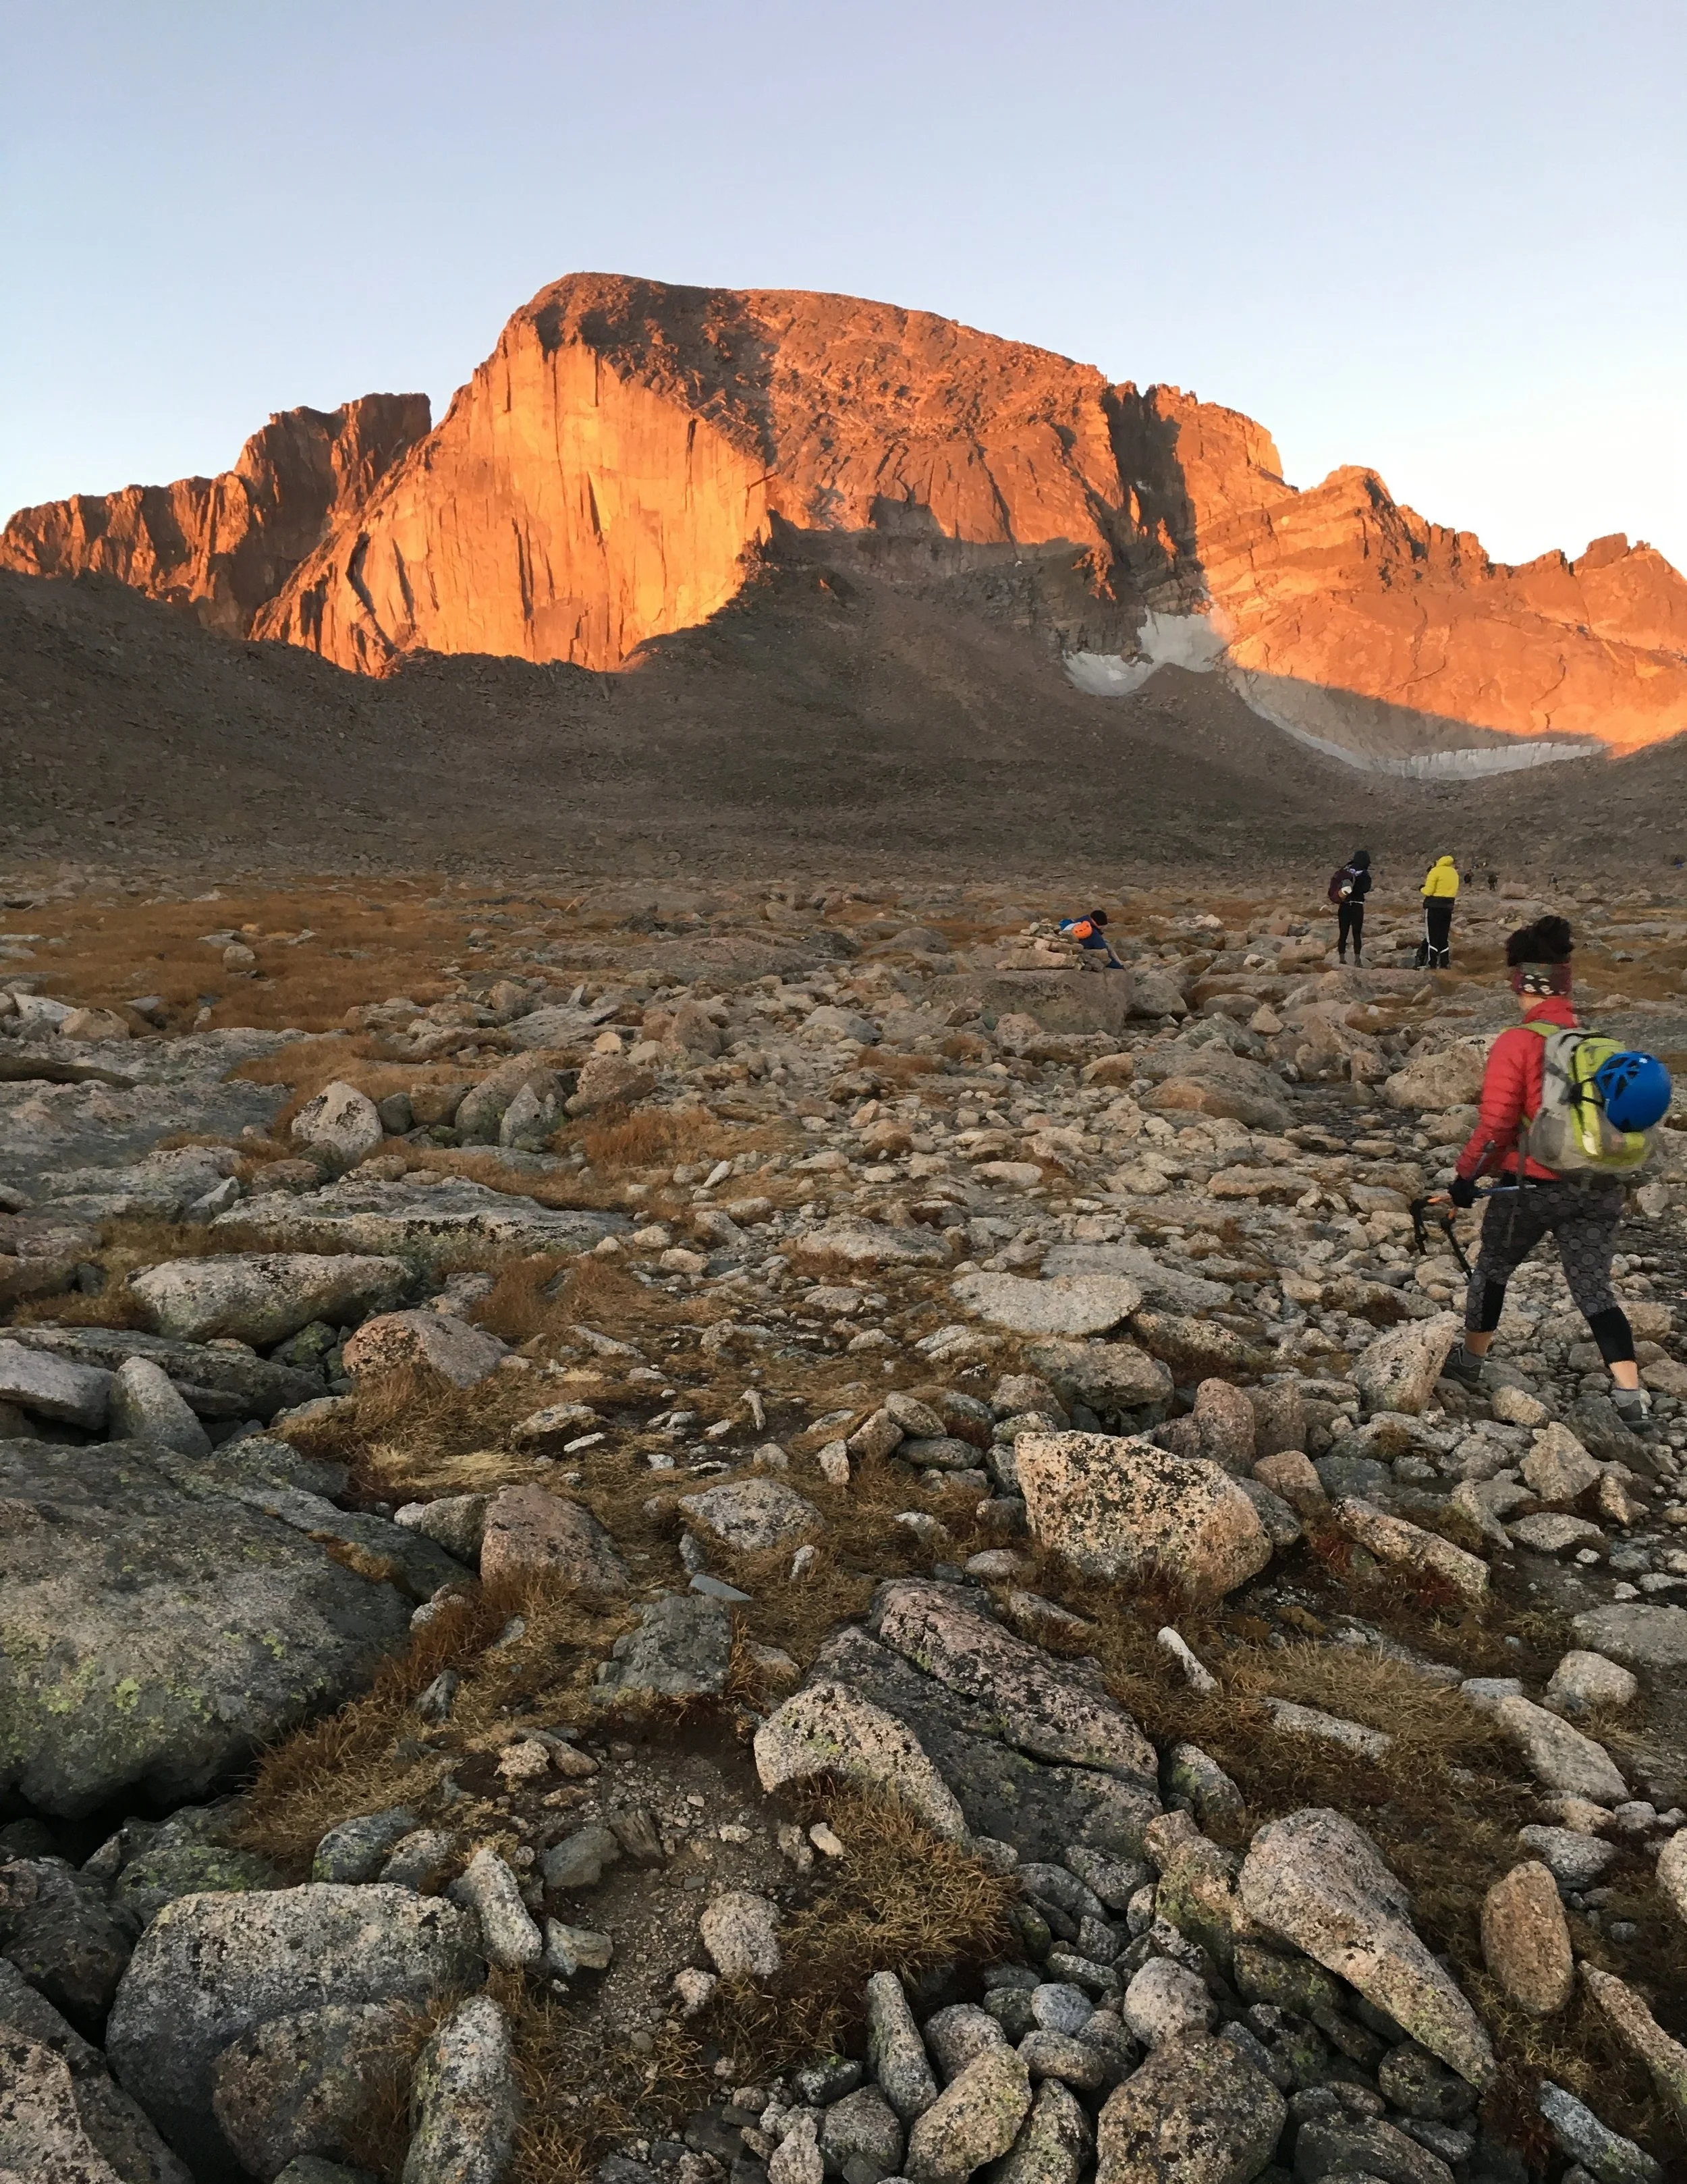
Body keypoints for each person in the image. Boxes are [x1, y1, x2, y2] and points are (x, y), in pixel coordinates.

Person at [1439, 916, 1651, 1425]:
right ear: (1565, 980)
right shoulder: (1595, 1043)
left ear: (1521, 981)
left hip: (1529, 1187)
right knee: (1594, 1289)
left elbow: (1496, 1125)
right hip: (1598, 1184)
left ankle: (1470, 1362)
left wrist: (1464, 1180)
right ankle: (1631, 1397)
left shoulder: (1519, 1041)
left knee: (1493, 1267)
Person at [1331, 848, 1373, 964]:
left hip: (1344, 905)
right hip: (1357, 906)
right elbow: (1366, 889)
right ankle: (1357, 960)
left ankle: (1342, 959)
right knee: (1357, 934)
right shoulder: (1364, 873)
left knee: (1343, 933)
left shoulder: (1345, 871)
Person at [1420, 854, 1460, 966]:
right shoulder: (1454, 873)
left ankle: (1431, 964)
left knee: (1432, 936)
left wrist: (1421, 888)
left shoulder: (1435, 871)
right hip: (1448, 907)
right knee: (1443, 935)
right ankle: (1444, 963)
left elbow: (1428, 891)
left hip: (1434, 906)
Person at [1059, 909, 1123, 968]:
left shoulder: (1076, 923)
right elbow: (1106, 955)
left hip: (1063, 949)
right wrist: (1119, 967)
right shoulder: (1093, 933)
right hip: (1079, 955)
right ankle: (1121, 964)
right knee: (1107, 945)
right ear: (1101, 924)